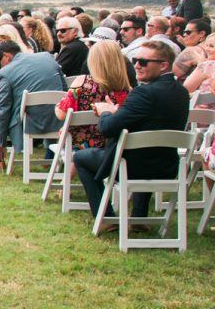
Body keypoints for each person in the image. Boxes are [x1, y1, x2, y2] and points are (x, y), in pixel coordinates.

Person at [74, 41, 189, 223]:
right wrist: (117, 112)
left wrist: (105, 111)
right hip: (166, 166)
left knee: (80, 158)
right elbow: (148, 121)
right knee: (148, 151)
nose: (136, 65)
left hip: (131, 168)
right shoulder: (181, 92)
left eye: (143, 62)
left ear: (164, 65)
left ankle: (105, 218)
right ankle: (139, 219)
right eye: (135, 60)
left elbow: (108, 128)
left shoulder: (143, 93)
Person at [0, 41, 66, 169]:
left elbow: (2, 109)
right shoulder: (46, 57)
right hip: (60, 118)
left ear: (7, 56)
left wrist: (0, 142)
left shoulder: (5, 73)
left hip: (29, 123)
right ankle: (51, 157)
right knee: (47, 107)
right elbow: (64, 88)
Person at [54, 41, 131, 151]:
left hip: (78, 146)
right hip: (114, 147)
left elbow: (62, 114)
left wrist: (58, 106)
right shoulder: (128, 91)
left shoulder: (82, 82)